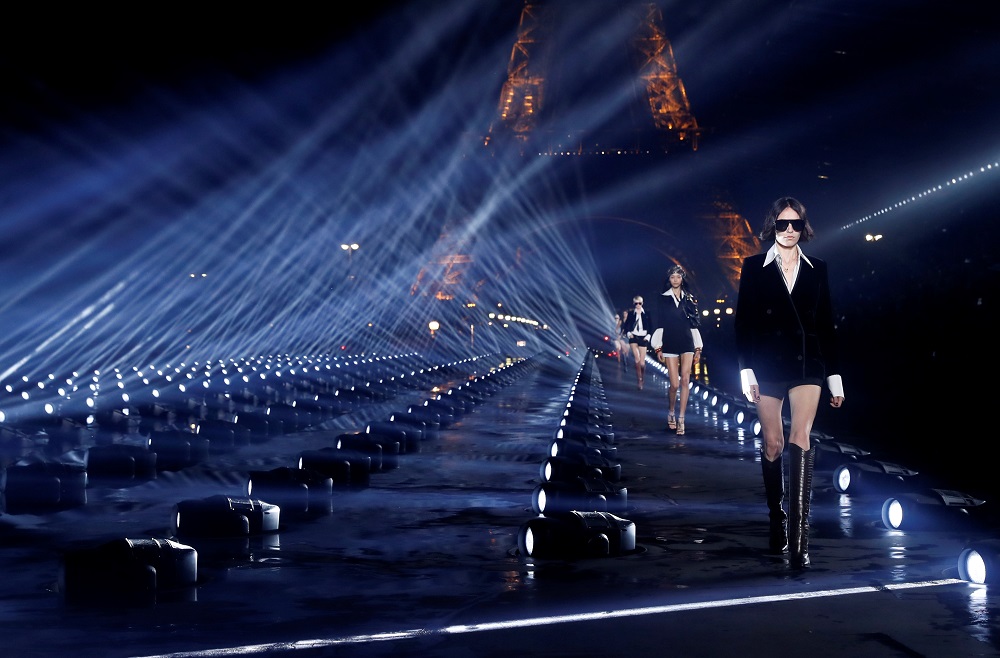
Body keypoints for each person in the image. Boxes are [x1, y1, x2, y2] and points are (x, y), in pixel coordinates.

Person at [734, 196, 845, 568]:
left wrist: (834, 378)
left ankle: (800, 538)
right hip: (766, 364)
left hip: (807, 362)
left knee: (801, 437)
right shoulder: (754, 267)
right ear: (772, 226)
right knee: (773, 443)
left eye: (796, 223)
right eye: (782, 224)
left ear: (803, 227)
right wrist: (746, 371)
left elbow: (826, 324)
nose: (789, 230)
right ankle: (776, 517)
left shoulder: (817, 269)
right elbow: (743, 323)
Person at [650, 265, 704, 435]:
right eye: (672, 277)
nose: (675, 280)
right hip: (670, 341)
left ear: (682, 279)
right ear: (669, 279)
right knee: (674, 384)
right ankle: (671, 411)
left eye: (678, 277)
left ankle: (681, 419)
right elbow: (660, 322)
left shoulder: (689, 298)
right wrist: (658, 347)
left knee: (685, 380)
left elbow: (693, 323)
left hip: (687, 341)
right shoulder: (662, 298)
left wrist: (698, 348)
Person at [621, 295, 652, 390]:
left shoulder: (647, 313)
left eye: (640, 303)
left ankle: (642, 378)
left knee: (642, 362)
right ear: (634, 303)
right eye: (636, 303)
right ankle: (639, 380)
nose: (638, 305)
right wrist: (629, 333)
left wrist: (648, 336)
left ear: (642, 303)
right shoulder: (631, 314)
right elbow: (626, 326)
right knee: (637, 359)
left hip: (643, 337)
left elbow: (651, 326)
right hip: (634, 337)